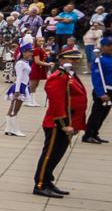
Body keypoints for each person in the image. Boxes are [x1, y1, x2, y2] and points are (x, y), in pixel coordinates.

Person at [35, 48, 87, 197]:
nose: (75, 62)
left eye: (76, 60)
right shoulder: (59, 76)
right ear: (62, 59)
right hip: (58, 124)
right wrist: (65, 125)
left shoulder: (69, 75)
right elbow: (56, 103)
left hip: (67, 122)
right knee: (49, 155)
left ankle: (47, 181)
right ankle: (40, 184)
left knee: (57, 155)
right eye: (71, 59)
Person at [82, 35, 112, 144]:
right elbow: (96, 78)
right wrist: (101, 93)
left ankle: (95, 133)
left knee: (103, 115)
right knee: (97, 114)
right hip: (104, 92)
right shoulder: (99, 60)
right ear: (102, 47)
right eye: (108, 46)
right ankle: (88, 135)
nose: (111, 47)